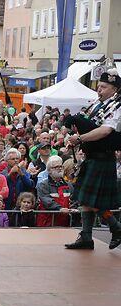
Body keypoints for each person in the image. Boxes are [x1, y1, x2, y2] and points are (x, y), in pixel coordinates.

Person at [65, 68, 121, 250]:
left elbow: (105, 131)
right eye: (99, 86)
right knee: (84, 200)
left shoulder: (117, 107)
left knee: (92, 202)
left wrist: (80, 138)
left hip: (103, 158)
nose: (99, 90)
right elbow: (89, 126)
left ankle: (117, 227)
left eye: (104, 87)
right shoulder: (97, 104)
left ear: (115, 89)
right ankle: (86, 237)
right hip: (92, 157)